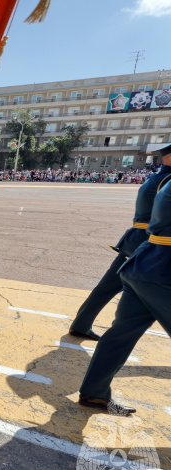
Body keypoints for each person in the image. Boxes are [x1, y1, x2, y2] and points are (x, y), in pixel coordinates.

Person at [77, 177, 171, 416]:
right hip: (163, 272)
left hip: (144, 264)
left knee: (121, 334)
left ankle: (94, 393)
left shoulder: (166, 181)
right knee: (121, 333)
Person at [68, 145, 171, 341]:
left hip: (135, 238)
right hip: (152, 241)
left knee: (107, 287)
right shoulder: (168, 180)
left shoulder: (156, 178)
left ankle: (80, 324)